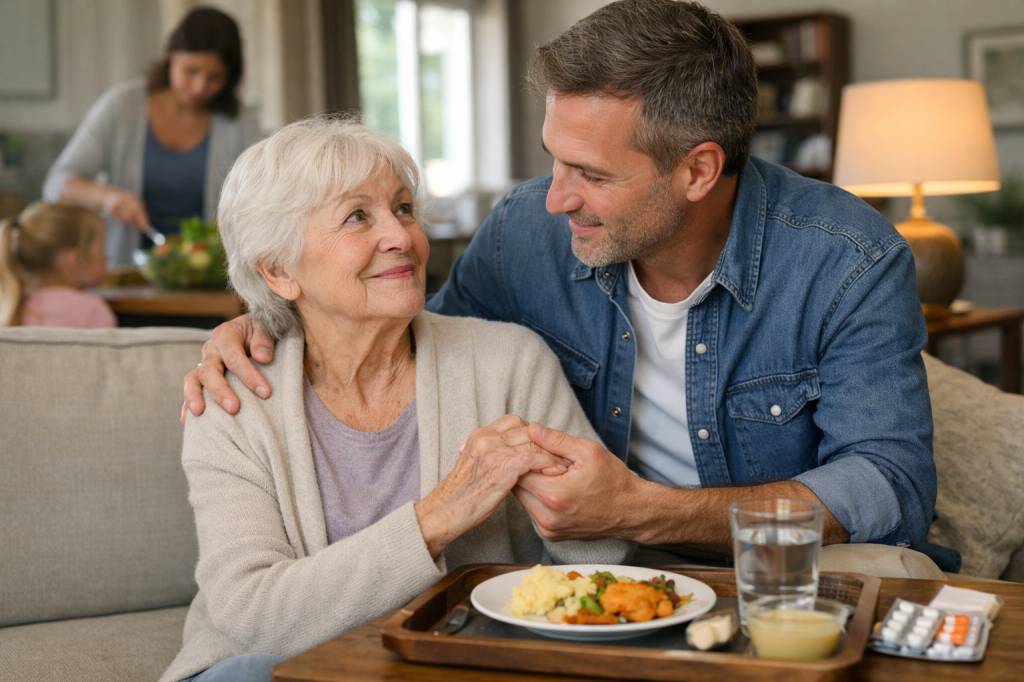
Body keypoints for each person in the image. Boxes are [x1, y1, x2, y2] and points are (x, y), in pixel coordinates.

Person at [182, 0, 949, 573]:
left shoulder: (846, 259)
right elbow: (416, 344)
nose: (556, 198)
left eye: (590, 173)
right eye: (555, 159)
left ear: (698, 170)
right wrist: (265, 325)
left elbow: (888, 485)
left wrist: (644, 511)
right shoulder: (527, 233)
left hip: (756, 567)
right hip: (596, 573)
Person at [160, 117, 628, 682]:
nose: (402, 237)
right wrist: (437, 516)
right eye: (358, 216)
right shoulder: (233, 400)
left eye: (404, 208)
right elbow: (256, 619)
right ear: (280, 270)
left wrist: (569, 503)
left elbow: (603, 565)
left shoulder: (508, 362)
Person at [43, 6, 259, 267]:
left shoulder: (240, 121)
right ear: (171, 55)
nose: (199, 87)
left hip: (213, 279)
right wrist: (108, 198)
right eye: (191, 71)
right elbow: (57, 183)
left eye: (214, 78)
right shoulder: (121, 106)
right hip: (124, 275)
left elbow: (260, 198)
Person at [0, 202, 114, 327]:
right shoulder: (94, 311)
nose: (107, 258)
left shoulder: (10, 305)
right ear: (75, 261)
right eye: (102, 249)